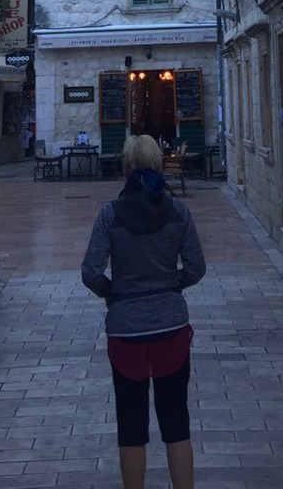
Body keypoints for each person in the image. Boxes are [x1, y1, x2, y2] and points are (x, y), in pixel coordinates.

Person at [81, 133, 206, 489]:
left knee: (131, 427)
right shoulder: (178, 212)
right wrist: (170, 286)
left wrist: (115, 292)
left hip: (126, 329)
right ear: (157, 164)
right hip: (170, 326)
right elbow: (196, 268)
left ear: (126, 166)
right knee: (176, 423)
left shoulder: (110, 215)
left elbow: (90, 271)